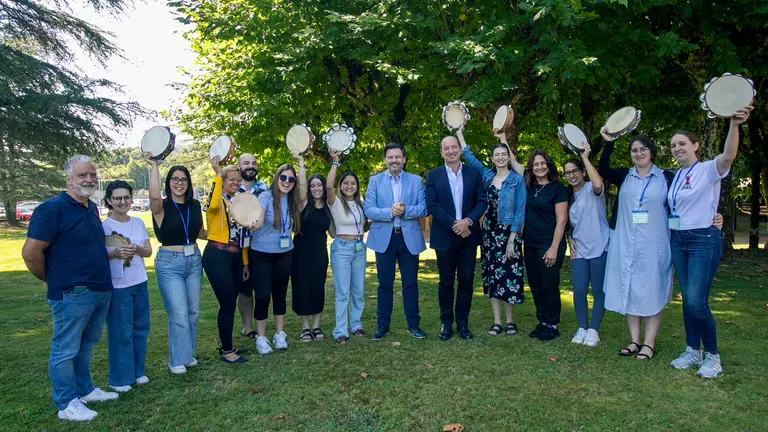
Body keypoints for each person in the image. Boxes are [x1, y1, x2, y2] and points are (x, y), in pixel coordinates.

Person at [22, 155, 118, 421]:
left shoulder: (90, 207)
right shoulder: (52, 209)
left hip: (99, 289)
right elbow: (31, 253)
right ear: (68, 179)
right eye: (81, 175)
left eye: (92, 174)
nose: (88, 179)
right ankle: (66, 402)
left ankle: (84, 389)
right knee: (65, 349)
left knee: (86, 344)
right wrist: (52, 280)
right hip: (72, 293)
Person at [667, 106, 752, 378]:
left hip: (703, 239)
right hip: (678, 239)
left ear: (695, 145)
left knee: (696, 301)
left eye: (682, 143)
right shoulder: (677, 175)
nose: (677, 148)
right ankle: (693, 350)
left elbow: (729, 155)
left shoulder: (707, 169)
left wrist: (735, 125)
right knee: (687, 300)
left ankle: (713, 356)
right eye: (673, 145)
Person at [460, 129, 527, 337]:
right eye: (496, 155)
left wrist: (512, 239)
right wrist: (461, 134)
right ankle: (496, 321)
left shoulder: (517, 180)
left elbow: (519, 211)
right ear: (492, 158)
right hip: (489, 234)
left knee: (509, 276)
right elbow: (469, 157)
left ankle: (510, 321)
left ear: (508, 157)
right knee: (492, 276)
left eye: (503, 154)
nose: (500, 157)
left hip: (509, 234)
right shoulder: (487, 176)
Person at [143, 153, 206, 374]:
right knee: (178, 313)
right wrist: (154, 166)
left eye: (183, 180)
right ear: (168, 183)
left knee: (193, 311)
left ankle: (187, 354)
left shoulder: (195, 206)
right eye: (175, 179)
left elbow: (200, 232)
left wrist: (227, 232)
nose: (179, 183)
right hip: (170, 263)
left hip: (194, 261)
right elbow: (153, 195)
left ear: (188, 184)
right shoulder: (161, 207)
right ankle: (176, 360)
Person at [364, 143, 428, 340]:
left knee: (410, 284)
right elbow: (369, 209)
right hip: (385, 238)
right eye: (390, 157)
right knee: (384, 284)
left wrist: (405, 210)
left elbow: (424, 208)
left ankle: (413, 325)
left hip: (408, 238)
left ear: (404, 159)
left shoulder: (416, 181)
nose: (394, 160)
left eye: (398, 157)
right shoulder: (375, 181)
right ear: (385, 160)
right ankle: (382, 326)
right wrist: (389, 212)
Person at [426, 134, 487, 341]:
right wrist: (454, 224)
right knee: (445, 282)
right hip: (445, 236)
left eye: (454, 147)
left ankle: (462, 323)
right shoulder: (433, 175)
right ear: (441, 152)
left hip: (469, 236)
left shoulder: (473, 173)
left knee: (466, 281)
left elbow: (481, 201)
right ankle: (446, 323)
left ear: (460, 149)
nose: (451, 151)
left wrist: (467, 221)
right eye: (446, 148)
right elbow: (432, 204)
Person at [249, 154, 306, 354]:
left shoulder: (293, 200)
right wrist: (255, 223)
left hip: (285, 253)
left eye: (291, 179)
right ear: (277, 178)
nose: (287, 182)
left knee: (280, 294)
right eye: (284, 178)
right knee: (263, 295)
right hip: (261, 254)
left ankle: (279, 334)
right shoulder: (265, 196)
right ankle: (261, 337)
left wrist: (300, 164)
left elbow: (304, 189)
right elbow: (260, 217)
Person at [101, 181, 153, 392]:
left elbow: (148, 252)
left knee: (141, 328)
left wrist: (137, 248)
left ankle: (138, 372)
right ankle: (120, 379)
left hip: (140, 282)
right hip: (118, 285)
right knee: (121, 332)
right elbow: (98, 255)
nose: (123, 202)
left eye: (126, 198)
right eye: (117, 198)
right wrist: (115, 253)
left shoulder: (139, 222)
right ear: (109, 201)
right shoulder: (104, 226)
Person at [202, 157, 249, 364]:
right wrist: (218, 175)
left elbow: (244, 234)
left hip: (236, 255)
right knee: (228, 302)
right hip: (218, 254)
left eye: (238, 180)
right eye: (232, 179)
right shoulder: (217, 198)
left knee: (229, 302)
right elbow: (212, 208)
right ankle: (228, 352)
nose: (236, 183)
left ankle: (225, 342)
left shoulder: (239, 201)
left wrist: (245, 261)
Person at [562, 146, 610, 348]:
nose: (572, 175)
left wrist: (585, 157)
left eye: (575, 171)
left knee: (598, 291)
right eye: (568, 173)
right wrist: (569, 237)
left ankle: (593, 330)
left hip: (600, 245)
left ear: (582, 172)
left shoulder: (592, 189)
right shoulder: (567, 196)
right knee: (579, 289)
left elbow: (598, 182)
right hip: (579, 248)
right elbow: (565, 222)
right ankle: (582, 327)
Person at [521, 150, 568, 341]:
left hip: (549, 244)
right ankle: (542, 321)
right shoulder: (530, 187)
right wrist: (503, 139)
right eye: (536, 164)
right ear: (532, 168)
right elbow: (515, 164)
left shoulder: (558, 188)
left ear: (548, 166)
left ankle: (552, 323)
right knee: (535, 284)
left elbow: (562, 220)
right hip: (530, 244)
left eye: (543, 163)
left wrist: (554, 247)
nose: (539, 167)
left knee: (549, 284)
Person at [327, 150, 368, 344]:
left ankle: (356, 324)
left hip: (360, 248)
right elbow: (328, 186)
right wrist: (335, 163)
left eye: (353, 183)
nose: (349, 186)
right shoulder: (335, 203)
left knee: (358, 290)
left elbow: (367, 224)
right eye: (346, 183)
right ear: (341, 186)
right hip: (342, 248)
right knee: (343, 291)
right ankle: (340, 330)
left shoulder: (361, 204)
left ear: (357, 186)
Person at [292, 170, 332, 342]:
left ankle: (316, 326)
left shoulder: (328, 207)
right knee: (302, 288)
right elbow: (300, 185)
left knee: (317, 288)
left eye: (319, 185)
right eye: (312, 185)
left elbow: (334, 232)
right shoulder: (303, 204)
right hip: (300, 254)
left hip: (320, 254)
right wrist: (300, 164)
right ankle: (305, 327)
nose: (316, 188)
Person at [235, 153, 269, 339]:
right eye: (246, 163)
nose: (251, 166)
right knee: (242, 288)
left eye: (254, 163)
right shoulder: (231, 187)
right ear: (239, 165)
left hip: (259, 245)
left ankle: (257, 325)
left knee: (260, 287)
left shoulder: (265, 189)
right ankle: (247, 327)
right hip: (235, 245)